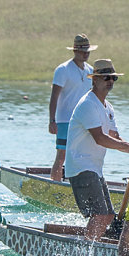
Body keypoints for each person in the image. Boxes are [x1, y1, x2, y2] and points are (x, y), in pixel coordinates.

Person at [64, 59, 129, 241]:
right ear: (94, 80)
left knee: (108, 215)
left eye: (113, 78)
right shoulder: (87, 104)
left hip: (94, 168)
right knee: (100, 215)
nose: (110, 81)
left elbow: (114, 137)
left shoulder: (108, 108)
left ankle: (92, 245)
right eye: (105, 77)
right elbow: (100, 138)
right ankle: (87, 251)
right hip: (81, 167)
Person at [49, 34, 95, 181]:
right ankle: (54, 186)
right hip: (65, 120)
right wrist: (52, 120)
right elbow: (54, 96)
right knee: (61, 156)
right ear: (75, 51)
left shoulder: (91, 71)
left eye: (88, 51)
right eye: (83, 51)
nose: (86, 54)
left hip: (84, 121)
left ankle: (74, 187)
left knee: (81, 157)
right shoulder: (63, 69)